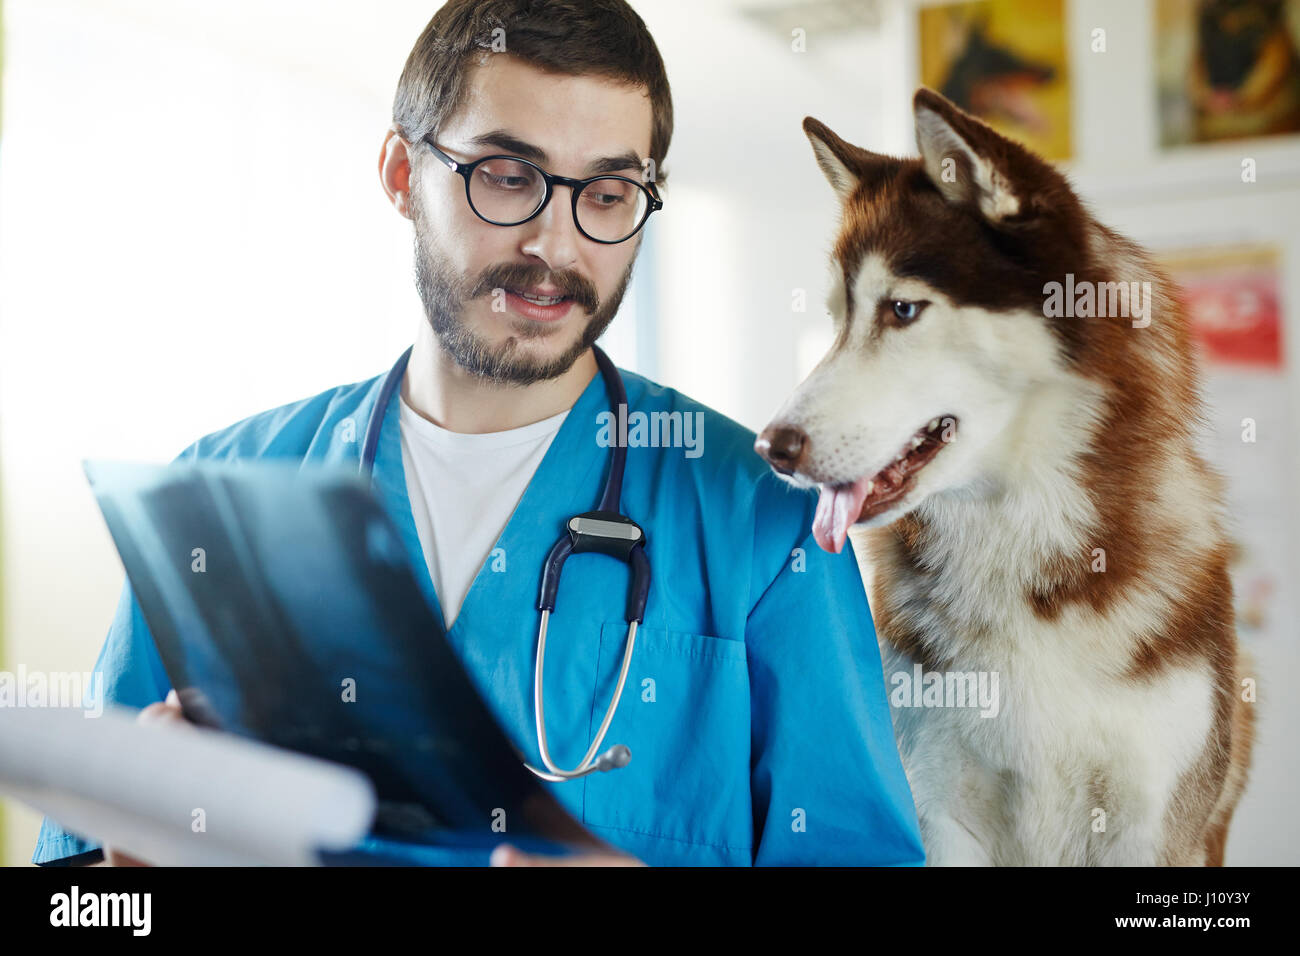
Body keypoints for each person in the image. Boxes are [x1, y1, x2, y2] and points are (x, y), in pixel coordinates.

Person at [32, 0, 924, 867]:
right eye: (507, 176)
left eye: (608, 194)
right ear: (399, 175)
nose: (556, 244)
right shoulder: (219, 499)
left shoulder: (764, 526)